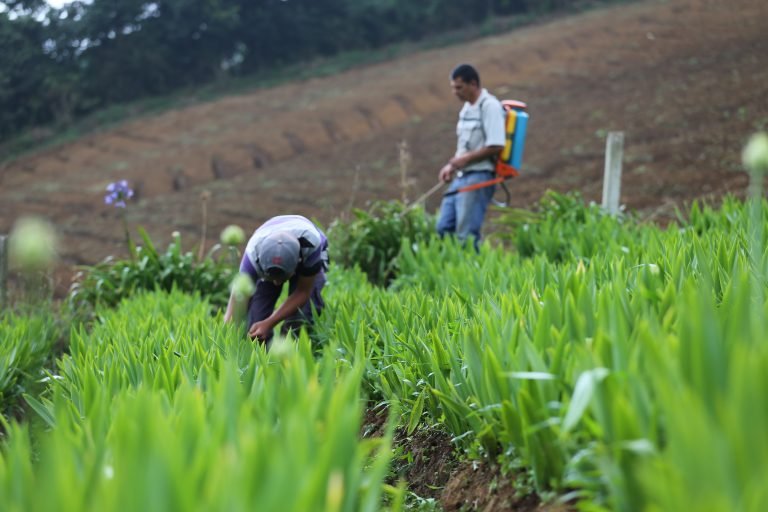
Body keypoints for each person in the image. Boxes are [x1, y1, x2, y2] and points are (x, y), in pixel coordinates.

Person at [223, 214, 328, 343]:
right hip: (267, 250)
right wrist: (226, 338)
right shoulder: (252, 256)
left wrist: (269, 322)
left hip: (306, 254)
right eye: (272, 278)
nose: (277, 283)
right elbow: (235, 306)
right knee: (256, 323)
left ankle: (292, 354)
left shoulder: (311, 245)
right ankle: (262, 359)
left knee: (301, 318)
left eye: (281, 278)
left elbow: (303, 292)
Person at [436, 63, 506, 249]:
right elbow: (464, 146)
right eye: (453, 88)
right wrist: (451, 165)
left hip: (480, 175)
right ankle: (449, 268)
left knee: (466, 234)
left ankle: (473, 271)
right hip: (462, 176)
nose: (455, 92)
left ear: (473, 84)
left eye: (459, 87)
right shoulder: (467, 109)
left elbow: (497, 144)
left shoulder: (489, 106)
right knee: (443, 227)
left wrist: (464, 160)